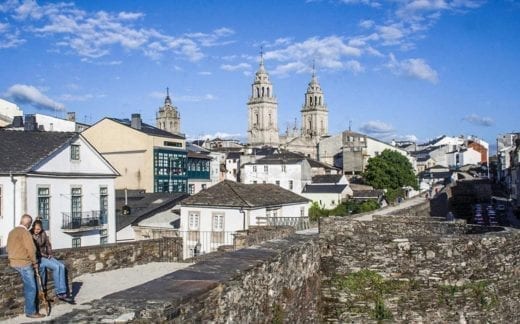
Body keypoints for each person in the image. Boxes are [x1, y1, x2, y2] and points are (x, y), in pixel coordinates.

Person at [6, 214, 45, 318]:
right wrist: (35, 263)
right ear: (28, 224)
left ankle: (30, 308)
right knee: (31, 287)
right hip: (23, 263)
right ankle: (31, 312)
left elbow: (7, 249)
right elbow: (32, 249)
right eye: (30, 224)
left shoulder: (12, 232)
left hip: (13, 262)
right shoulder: (25, 233)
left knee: (30, 285)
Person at [31, 219, 74, 303]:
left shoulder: (43, 233)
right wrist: (45, 255)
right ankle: (60, 292)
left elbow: (48, 244)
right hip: (39, 257)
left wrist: (50, 253)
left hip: (46, 255)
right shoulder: (30, 234)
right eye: (36, 229)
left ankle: (63, 292)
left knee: (62, 266)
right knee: (56, 267)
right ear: (33, 228)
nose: (37, 231)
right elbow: (34, 250)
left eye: (39, 229)